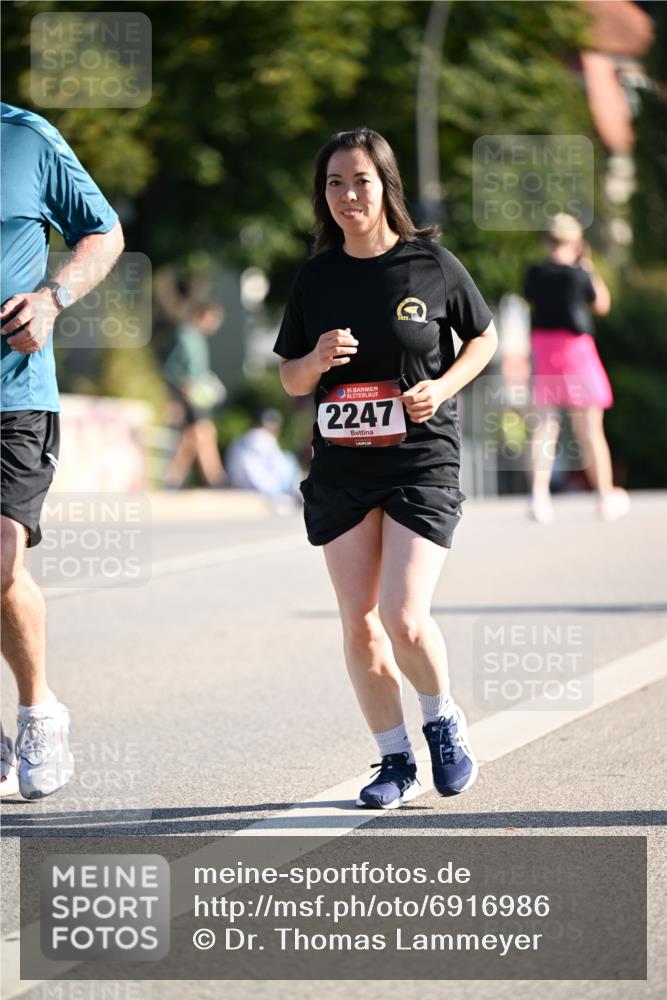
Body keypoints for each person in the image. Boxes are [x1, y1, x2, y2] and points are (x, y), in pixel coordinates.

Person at [274, 127, 497, 810]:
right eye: (334, 183)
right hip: (342, 467)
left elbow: (483, 337)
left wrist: (445, 386)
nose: (346, 194)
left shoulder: (429, 264)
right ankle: (392, 761)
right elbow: (289, 378)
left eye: (359, 181)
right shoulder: (316, 276)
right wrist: (313, 360)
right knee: (360, 623)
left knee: (402, 615)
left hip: (418, 459)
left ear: (385, 187)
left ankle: (440, 722)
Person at [0, 104, 124, 799]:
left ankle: (37, 708)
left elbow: (103, 233)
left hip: (13, 392)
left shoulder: (25, 137)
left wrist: (51, 299)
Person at [524, 213, 629, 524]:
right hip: (576, 350)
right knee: (590, 430)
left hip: (544, 349)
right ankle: (604, 495)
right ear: (575, 242)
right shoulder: (579, 273)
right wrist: (589, 267)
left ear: (547, 240)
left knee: (544, 427)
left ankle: (538, 497)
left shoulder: (535, 273)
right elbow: (602, 305)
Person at [162, 301, 226, 488]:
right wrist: (182, 389)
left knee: (194, 436)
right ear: (203, 315)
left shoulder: (197, 337)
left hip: (198, 398)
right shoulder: (185, 335)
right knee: (203, 432)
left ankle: (173, 478)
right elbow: (170, 368)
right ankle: (216, 478)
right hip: (186, 397)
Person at [226, 409, 300, 502]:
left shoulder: (239, 438)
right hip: (264, 489)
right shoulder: (264, 437)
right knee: (290, 459)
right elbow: (278, 466)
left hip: (240, 485)